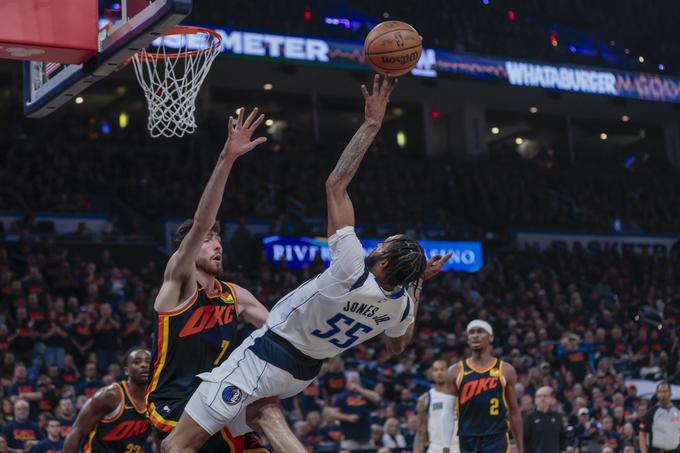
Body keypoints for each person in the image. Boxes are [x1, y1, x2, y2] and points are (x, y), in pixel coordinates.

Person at [163, 75, 451, 453]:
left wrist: (372, 124)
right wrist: (417, 284)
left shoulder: (351, 270)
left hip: (265, 357)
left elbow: (336, 184)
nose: (377, 243)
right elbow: (398, 345)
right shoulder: (400, 306)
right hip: (301, 374)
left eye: (384, 244)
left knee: (175, 447)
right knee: (264, 413)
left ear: (384, 259)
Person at [146, 107, 276, 453]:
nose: (216, 243)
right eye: (208, 240)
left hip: (218, 397)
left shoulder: (235, 296)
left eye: (219, 239)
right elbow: (201, 222)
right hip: (174, 401)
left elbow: (281, 324)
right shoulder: (179, 279)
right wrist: (227, 158)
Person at [444, 320, 523, 453]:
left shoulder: (505, 370)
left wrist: (521, 447)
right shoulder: (455, 371)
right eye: (471, 332)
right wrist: (446, 446)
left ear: (491, 337)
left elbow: (514, 411)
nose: (475, 335)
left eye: (480, 331)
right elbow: (447, 412)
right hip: (467, 438)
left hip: (496, 437)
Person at [63, 349, 151, 453]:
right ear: (126, 370)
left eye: (148, 361)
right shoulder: (110, 395)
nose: (144, 365)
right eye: (137, 362)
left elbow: (160, 439)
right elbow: (77, 432)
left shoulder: (155, 401)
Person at [415, 360, 459, 453]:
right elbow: (420, 432)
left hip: (458, 446)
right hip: (436, 447)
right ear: (432, 373)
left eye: (442, 369)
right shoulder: (425, 398)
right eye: (436, 370)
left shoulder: (461, 396)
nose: (439, 373)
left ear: (449, 371)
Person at [331, 373, 380, 450]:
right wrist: (348, 417)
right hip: (349, 437)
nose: (354, 383)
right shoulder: (342, 396)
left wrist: (359, 389)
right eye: (352, 381)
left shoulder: (364, 394)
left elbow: (377, 398)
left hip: (366, 436)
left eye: (356, 381)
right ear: (347, 382)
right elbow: (333, 414)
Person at [522, 386, 566, 453]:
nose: (542, 398)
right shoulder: (529, 417)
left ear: (551, 399)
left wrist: (563, 450)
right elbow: (524, 440)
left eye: (545, 396)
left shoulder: (557, 417)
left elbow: (562, 437)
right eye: (539, 396)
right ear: (535, 400)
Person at [640, 382, 680, 453]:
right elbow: (642, 434)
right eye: (660, 392)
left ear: (670, 393)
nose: (663, 394)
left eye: (665, 391)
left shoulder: (678, 410)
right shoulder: (651, 413)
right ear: (657, 395)